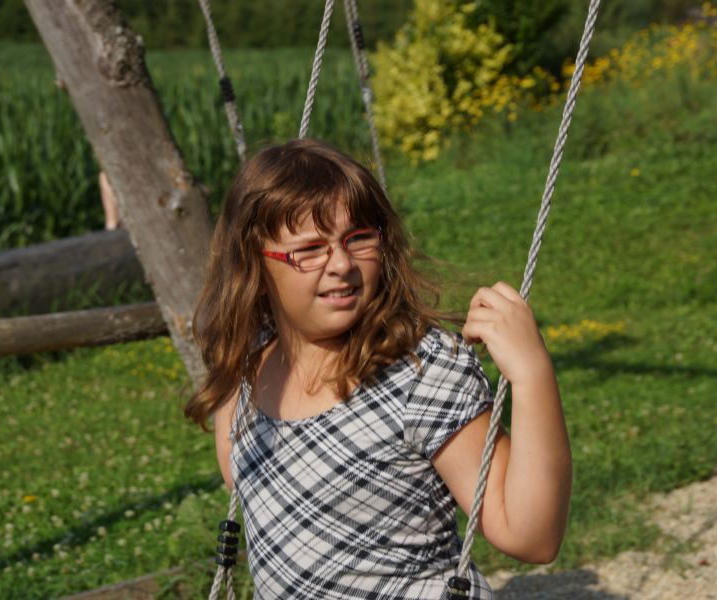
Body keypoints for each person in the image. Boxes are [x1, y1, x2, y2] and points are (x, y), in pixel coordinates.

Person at [186, 139, 572, 599]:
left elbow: (531, 536)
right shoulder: (248, 362)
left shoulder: (421, 372)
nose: (341, 263)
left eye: (358, 238)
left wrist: (531, 374)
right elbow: (247, 484)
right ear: (253, 265)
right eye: (310, 249)